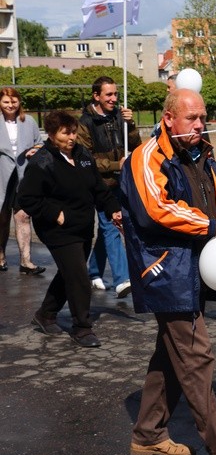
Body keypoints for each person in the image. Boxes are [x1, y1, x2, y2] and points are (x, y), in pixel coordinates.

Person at [120, 89, 216, 455]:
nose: (200, 124)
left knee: (171, 354)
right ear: (168, 118)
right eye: (191, 118)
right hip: (166, 270)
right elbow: (157, 210)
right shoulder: (145, 157)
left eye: (203, 117)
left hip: (196, 266)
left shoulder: (203, 154)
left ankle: (147, 435)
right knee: (196, 355)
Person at [17, 110, 121, 348]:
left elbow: (98, 187)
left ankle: (45, 314)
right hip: (58, 231)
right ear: (52, 135)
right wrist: (56, 214)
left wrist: (112, 208)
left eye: (73, 132)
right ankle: (82, 329)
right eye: (66, 133)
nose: (71, 137)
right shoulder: (42, 161)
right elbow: (27, 198)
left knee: (69, 273)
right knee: (79, 277)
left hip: (83, 226)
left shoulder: (83, 155)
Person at [78, 75, 141, 297]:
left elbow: (135, 144)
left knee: (108, 229)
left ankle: (94, 270)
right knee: (112, 225)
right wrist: (116, 164)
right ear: (96, 96)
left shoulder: (118, 117)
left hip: (121, 182)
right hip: (99, 184)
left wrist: (130, 124)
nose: (114, 99)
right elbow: (85, 159)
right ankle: (123, 279)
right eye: (109, 94)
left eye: (116, 94)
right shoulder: (85, 123)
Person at [0, 87, 45, 275]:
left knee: (23, 216)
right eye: (6, 102)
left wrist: (36, 149)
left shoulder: (29, 121)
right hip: (2, 174)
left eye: (14, 101)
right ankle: (0, 255)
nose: (11, 105)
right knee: (1, 218)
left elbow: (40, 142)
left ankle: (26, 261)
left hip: (23, 175)